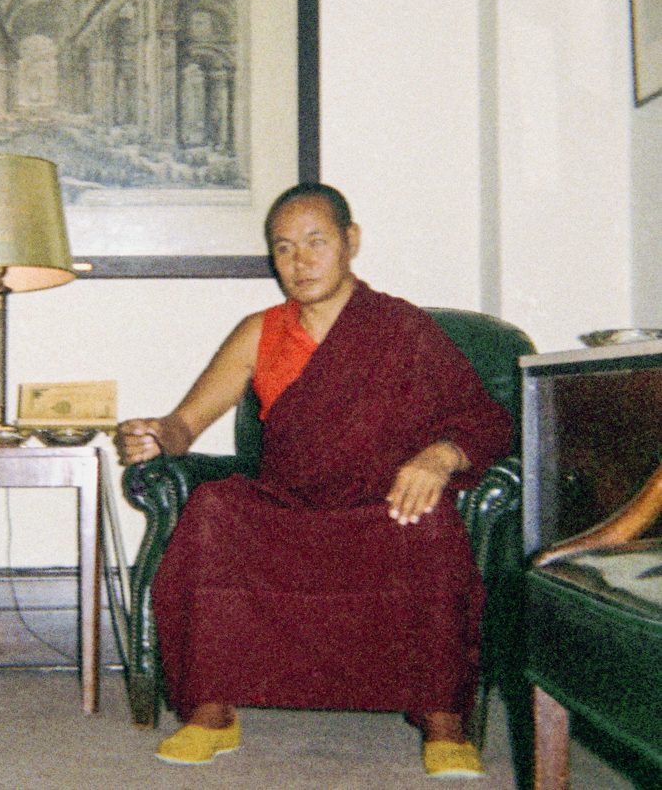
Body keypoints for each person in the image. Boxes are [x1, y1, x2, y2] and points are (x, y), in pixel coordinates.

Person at [114, 183, 513, 777]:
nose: (299, 262)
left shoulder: (403, 329)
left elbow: (488, 418)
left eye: (315, 242)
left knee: (428, 519)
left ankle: (443, 722)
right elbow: (185, 424)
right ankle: (212, 713)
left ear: (351, 242)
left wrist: (441, 455)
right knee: (215, 505)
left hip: (381, 511)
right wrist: (153, 434)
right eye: (282, 248)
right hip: (288, 508)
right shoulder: (260, 331)